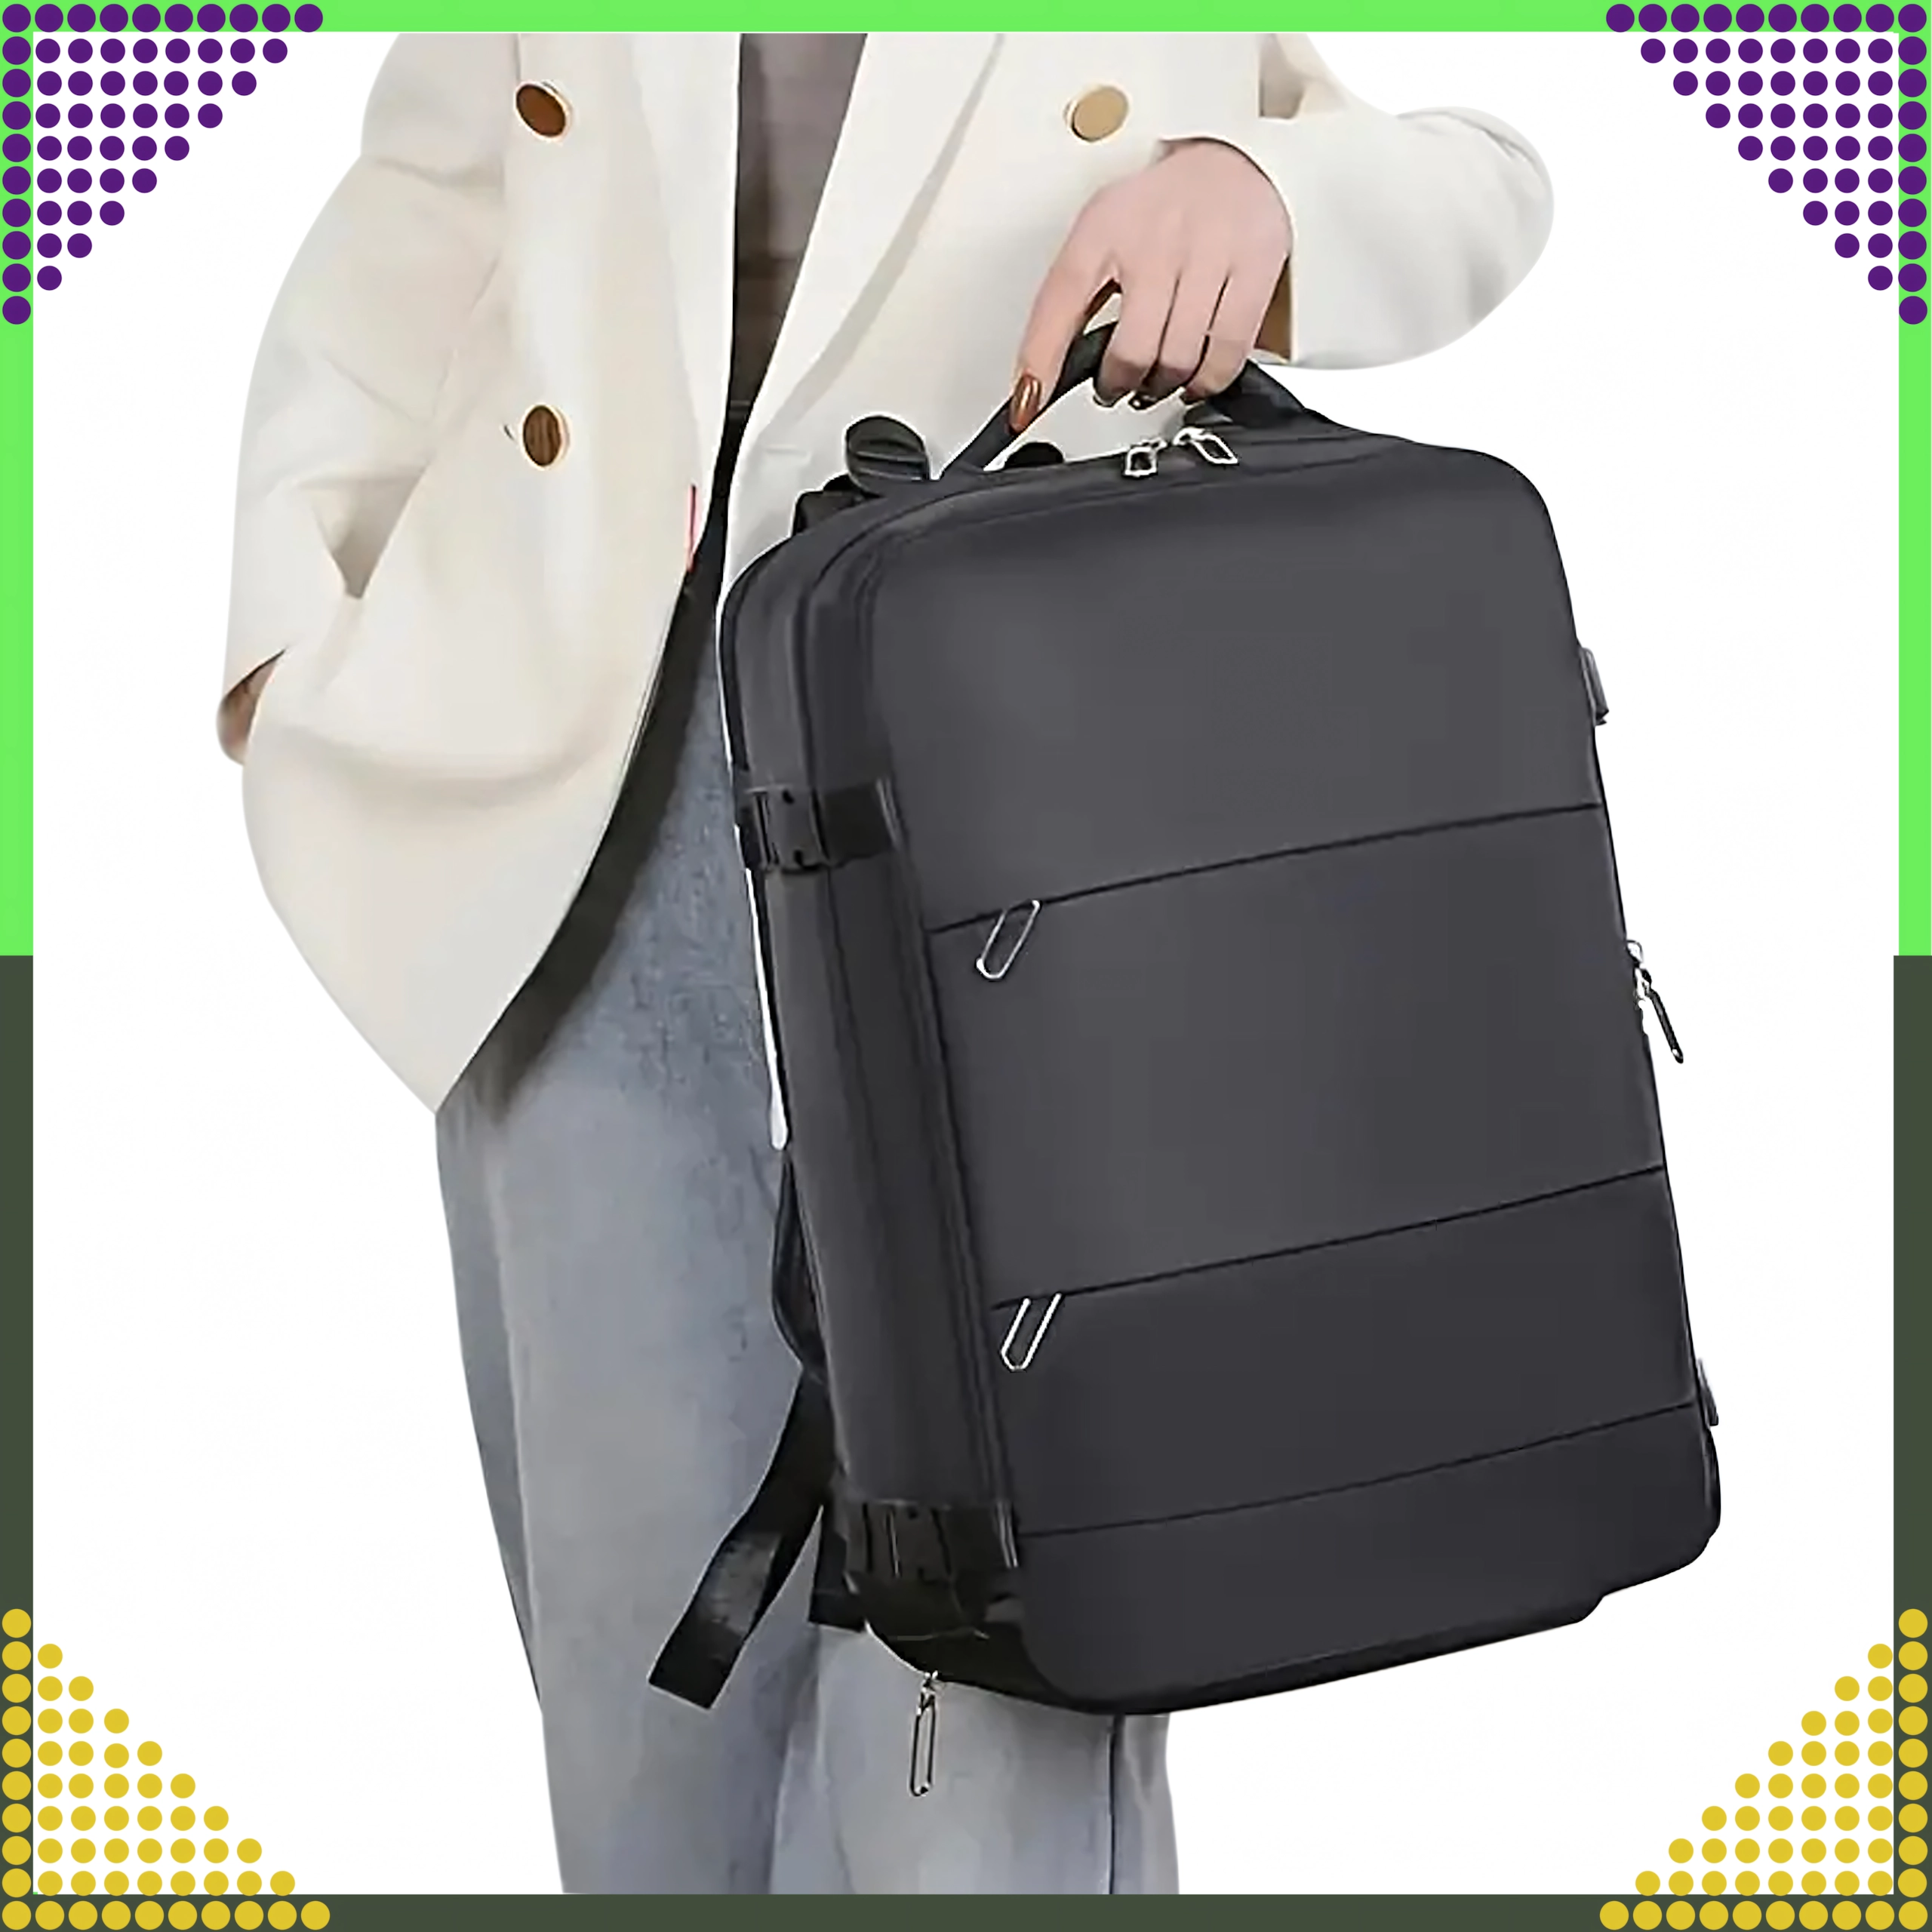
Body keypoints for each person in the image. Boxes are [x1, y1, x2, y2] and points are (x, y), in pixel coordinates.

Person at [217, 32, 1553, 1894]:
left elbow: (1482, 181)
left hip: (1002, 815)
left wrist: (1263, 194)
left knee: (995, 1688)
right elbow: (427, 215)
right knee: (644, 1695)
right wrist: (293, 624)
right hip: (582, 813)